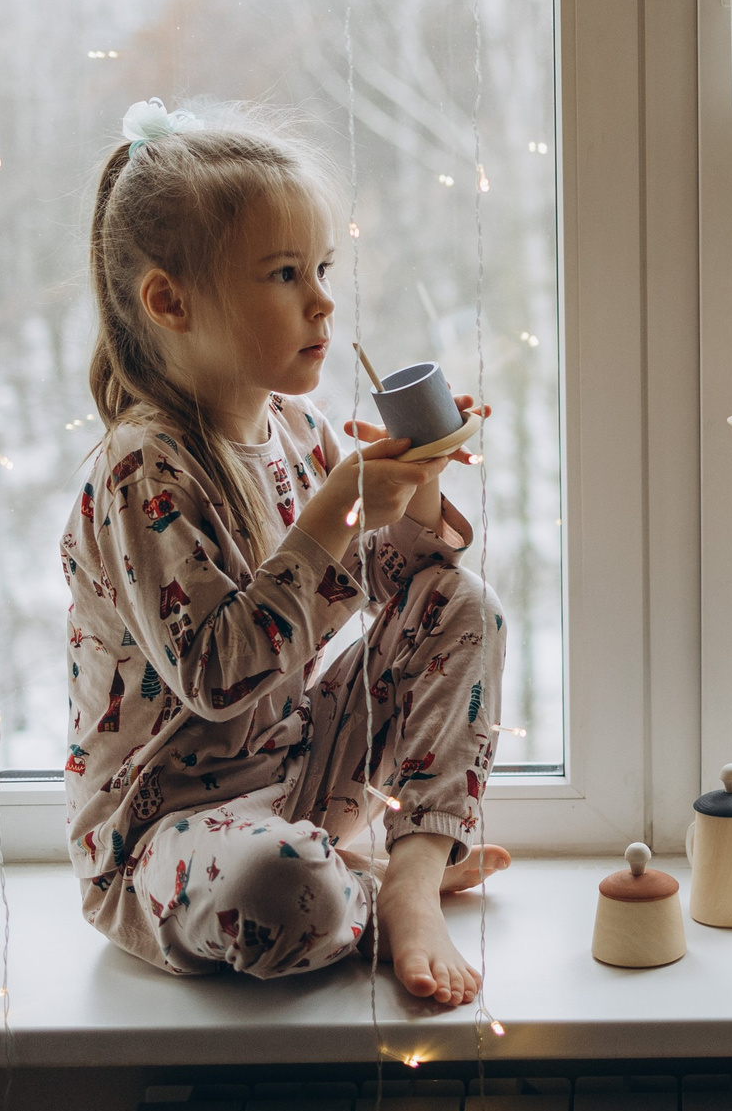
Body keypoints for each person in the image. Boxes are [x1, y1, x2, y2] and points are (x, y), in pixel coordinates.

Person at [62, 98, 508, 1002]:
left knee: (467, 606)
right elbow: (218, 676)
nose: (322, 300)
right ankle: (361, 887)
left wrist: (413, 488)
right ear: (170, 301)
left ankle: (411, 880)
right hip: (169, 842)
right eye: (283, 274)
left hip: (303, 772)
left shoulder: (298, 433)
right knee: (282, 889)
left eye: (322, 268)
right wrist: (338, 513)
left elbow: (404, 596)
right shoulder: (139, 472)